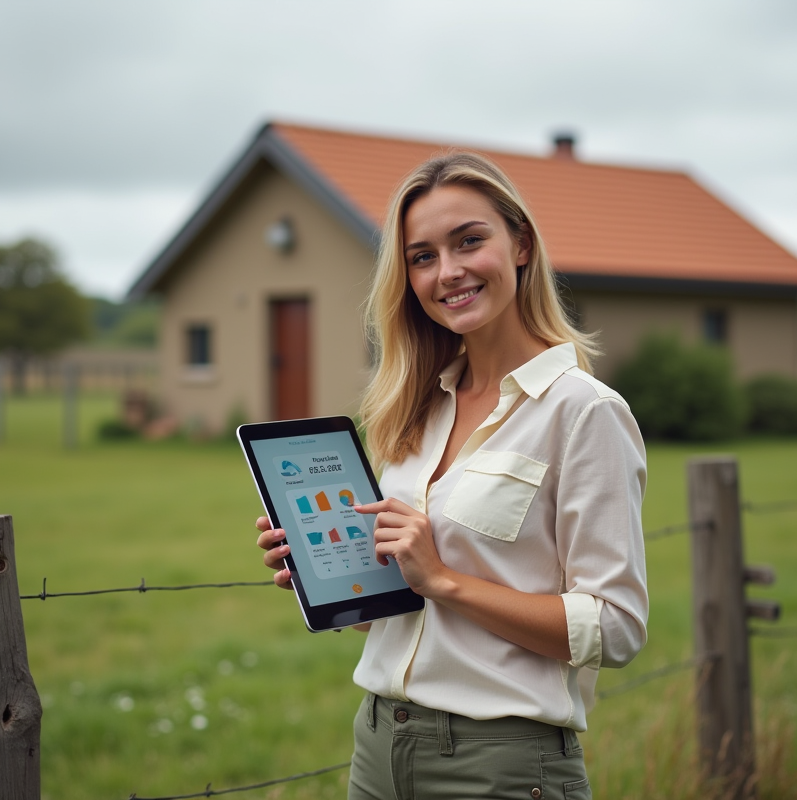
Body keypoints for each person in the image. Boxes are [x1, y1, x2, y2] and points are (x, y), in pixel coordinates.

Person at [256, 152, 648, 800]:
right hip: (378, 746)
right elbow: (405, 606)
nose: (449, 271)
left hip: (502, 764)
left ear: (520, 244)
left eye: (469, 241)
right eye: (423, 256)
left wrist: (443, 579)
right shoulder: (416, 407)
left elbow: (615, 627)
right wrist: (329, 572)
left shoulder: (584, 412)